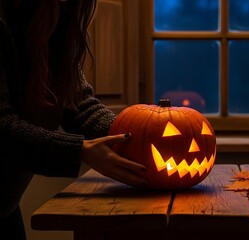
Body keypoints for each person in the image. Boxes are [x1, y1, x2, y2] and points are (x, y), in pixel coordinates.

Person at [0, 0, 149, 239]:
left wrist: (138, 136)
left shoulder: (59, 20)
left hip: (4, 207)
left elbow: (79, 105)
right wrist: (80, 151)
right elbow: (1, 128)